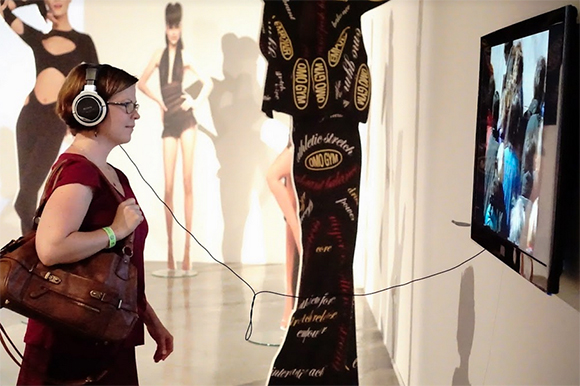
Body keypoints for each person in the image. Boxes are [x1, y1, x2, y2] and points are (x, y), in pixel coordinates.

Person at [16, 63, 173, 385]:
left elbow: (119, 268)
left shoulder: (111, 174)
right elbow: (51, 248)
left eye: (135, 105)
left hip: (102, 330)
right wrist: (114, 231)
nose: (136, 114)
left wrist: (149, 319)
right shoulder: (79, 173)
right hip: (72, 343)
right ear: (91, 109)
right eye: (127, 105)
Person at [1, 0, 99, 234]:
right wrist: (36, 3)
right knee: (27, 194)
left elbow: (92, 84)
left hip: (54, 119)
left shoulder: (83, 41)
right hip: (28, 117)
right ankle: (32, 257)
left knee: (25, 196)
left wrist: (76, 118)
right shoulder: (38, 38)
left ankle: (38, 252)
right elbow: (5, 9)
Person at [138, 2, 212, 271]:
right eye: (170, 26)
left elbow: (208, 82)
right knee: (168, 187)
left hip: (186, 120)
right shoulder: (159, 54)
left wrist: (194, 101)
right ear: (166, 27)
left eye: (177, 26)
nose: (173, 31)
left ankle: (187, 252)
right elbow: (141, 82)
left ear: (181, 28)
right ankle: (169, 250)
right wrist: (158, 102)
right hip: (169, 120)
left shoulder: (186, 55)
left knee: (187, 181)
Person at [265, 143, 301, 329]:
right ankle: (289, 307)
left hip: (304, 138)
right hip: (294, 136)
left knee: (272, 175)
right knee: (290, 232)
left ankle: (291, 308)